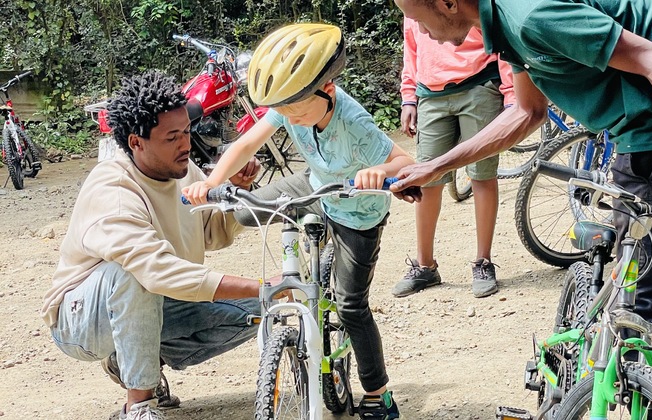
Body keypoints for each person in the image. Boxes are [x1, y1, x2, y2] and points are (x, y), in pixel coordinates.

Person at [389, 0, 652, 419]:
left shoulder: (530, 17)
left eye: (418, 19)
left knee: (644, 291)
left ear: (447, 3)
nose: (420, 33)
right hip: (645, 117)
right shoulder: (505, 23)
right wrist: (437, 165)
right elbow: (527, 111)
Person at [183, 23, 413, 419]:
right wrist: (211, 184)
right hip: (317, 184)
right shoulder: (290, 105)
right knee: (243, 209)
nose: (286, 115)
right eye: (282, 108)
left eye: (293, 108)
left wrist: (379, 172)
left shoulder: (353, 122)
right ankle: (307, 267)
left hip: (357, 209)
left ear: (326, 90)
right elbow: (245, 144)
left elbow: (405, 162)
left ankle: (379, 392)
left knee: (351, 304)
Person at [40, 70, 265, 420]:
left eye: (187, 132)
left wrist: (237, 191)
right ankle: (139, 406)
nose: (186, 144)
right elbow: (155, 270)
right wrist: (268, 286)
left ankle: (134, 357)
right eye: (172, 137)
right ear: (136, 142)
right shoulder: (113, 189)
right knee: (133, 276)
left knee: (260, 309)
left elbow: (211, 231)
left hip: (155, 301)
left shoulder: (181, 168)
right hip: (80, 320)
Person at [391, 17, 516, 299]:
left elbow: (500, 35)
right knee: (426, 180)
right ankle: (425, 266)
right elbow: (411, 46)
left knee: (482, 174)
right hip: (430, 92)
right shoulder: (413, 8)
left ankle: (483, 262)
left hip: (480, 84)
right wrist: (408, 97)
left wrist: (510, 95)